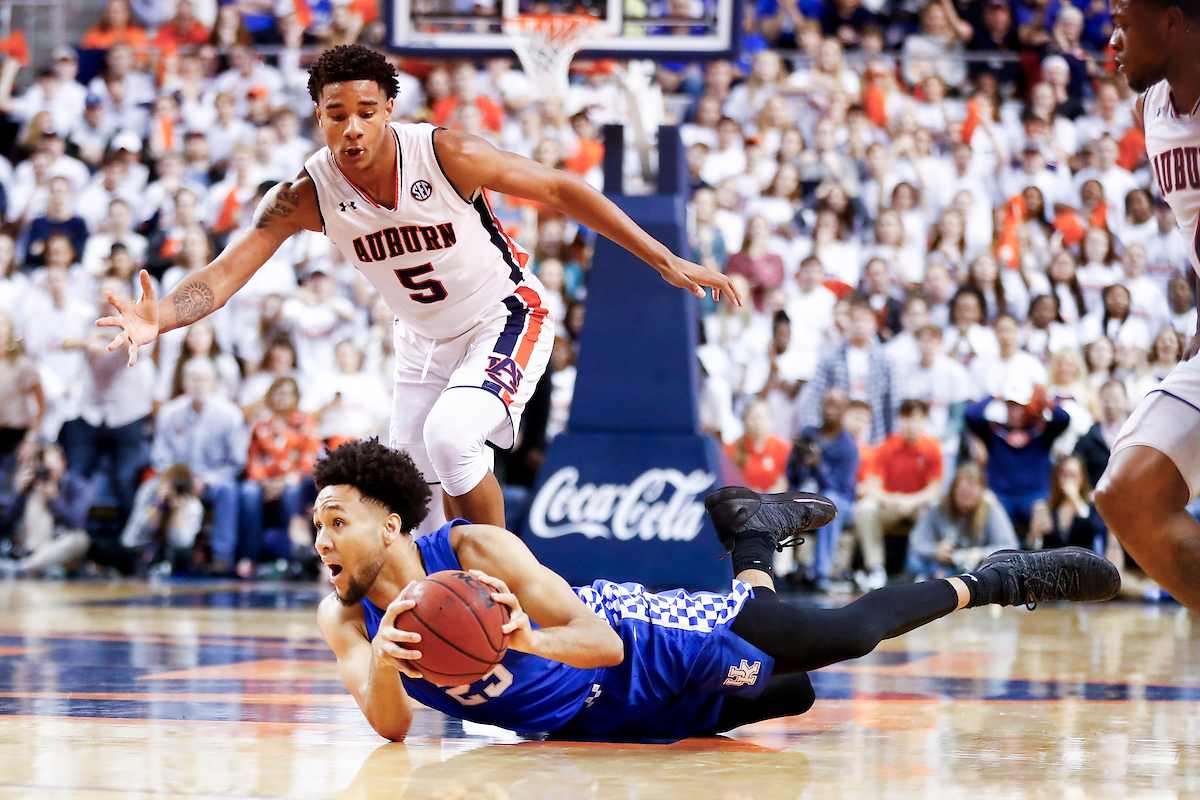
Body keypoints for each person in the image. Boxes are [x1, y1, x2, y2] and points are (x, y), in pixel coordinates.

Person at [98, 45, 739, 536]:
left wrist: (665, 260)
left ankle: (503, 594)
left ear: (389, 113)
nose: (352, 128)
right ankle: (430, 634)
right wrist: (161, 317)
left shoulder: (447, 153)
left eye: (366, 114)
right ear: (319, 116)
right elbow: (223, 276)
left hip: (505, 316)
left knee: (455, 438)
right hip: (422, 342)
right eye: (336, 115)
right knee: (400, 504)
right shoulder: (304, 195)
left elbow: (559, 188)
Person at [312, 438, 1119, 742]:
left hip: (636, 645)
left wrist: (519, 638)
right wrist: (387, 654)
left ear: (388, 527)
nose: (320, 539)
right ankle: (754, 535)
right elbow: (389, 727)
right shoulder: (345, 618)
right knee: (792, 697)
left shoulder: (475, 547)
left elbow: (600, 643)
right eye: (315, 525)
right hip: (594, 727)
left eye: (335, 520)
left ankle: (997, 578)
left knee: (833, 639)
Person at [1094, 0, 1200, 612]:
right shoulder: (1150, 106)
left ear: (1171, 21)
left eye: (1125, 23)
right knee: (1129, 493)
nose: (1113, 40)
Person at [851, 399, 945, 591]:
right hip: (891, 507)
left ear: (924, 420)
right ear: (900, 420)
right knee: (865, 509)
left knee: (935, 507)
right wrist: (891, 500)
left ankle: (927, 567)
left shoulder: (933, 447)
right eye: (907, 419)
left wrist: (911, 501)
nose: (911, 424)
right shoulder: (886, 446)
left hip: (919, 507)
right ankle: (875, 568)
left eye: (916, 419)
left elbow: (935, 489)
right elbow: (872, 486)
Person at [907, 462, 1019, 580]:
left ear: (980, 493)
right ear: (953, 490)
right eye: (962, 494)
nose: (965, 502)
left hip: (975, 566)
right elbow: (915, 542)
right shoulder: (937, 508)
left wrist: (981, 553)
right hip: (941, 563)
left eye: (971, 496)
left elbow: (1010, 546)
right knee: (914, 562)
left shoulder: (991, 509)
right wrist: (935, 550)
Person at [0, 442, 93, 578]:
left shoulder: (77, 486)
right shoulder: (31, 486)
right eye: (44, 467)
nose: (48, 472)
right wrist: (19, 493)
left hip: (60, 546)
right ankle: (39, 565)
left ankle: (23, 567)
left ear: (64, 463)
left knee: (81, 540)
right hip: (29, 546)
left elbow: (77, 523)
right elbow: (5, 524)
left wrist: (54, 499)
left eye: (52, 467)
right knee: (36, 498)